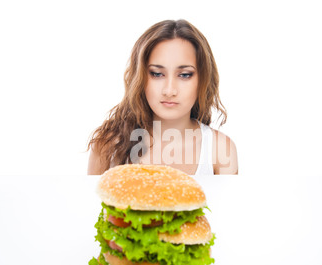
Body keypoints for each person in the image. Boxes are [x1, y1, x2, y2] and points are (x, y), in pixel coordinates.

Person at [87, 19, 238, 175]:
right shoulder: (108, 145)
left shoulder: (220, 150)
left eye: (185, 75)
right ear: (140, 78)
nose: (169, 90)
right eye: (157, 74)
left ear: (203, 79)